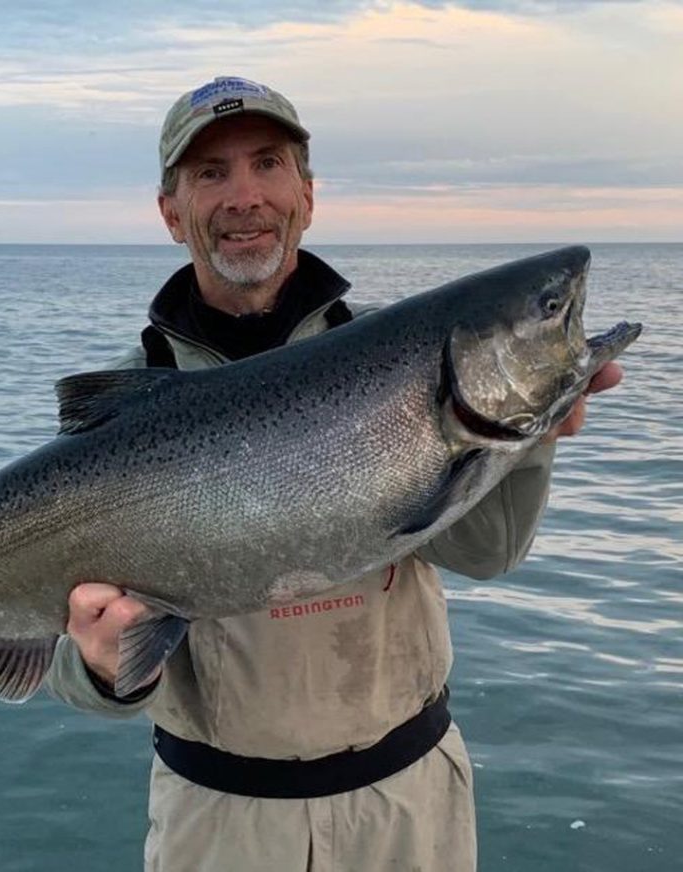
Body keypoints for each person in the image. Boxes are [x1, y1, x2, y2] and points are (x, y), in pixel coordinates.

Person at [44, 76, 623, 872]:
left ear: (307, 197)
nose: (245, 196)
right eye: (211, 173)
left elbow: (485, 553)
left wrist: (534, 432)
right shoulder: (120, 417)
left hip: (407, 806)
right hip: (218, 824)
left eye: (268, 164)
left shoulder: (396, 360)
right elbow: (59, 670)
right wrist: (104, 670)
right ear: (170, 211)